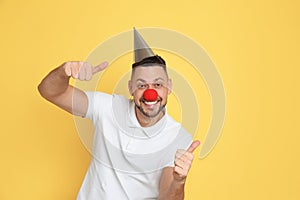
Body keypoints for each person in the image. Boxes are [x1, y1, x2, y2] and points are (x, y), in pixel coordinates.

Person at [38, 28, 200, 200]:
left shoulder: (178, 137)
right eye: (142, 85)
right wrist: (64, 71)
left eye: (158, 84)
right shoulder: (107, 107)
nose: (150, 93)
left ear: (169, 87)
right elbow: (49, 91)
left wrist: (179, 181)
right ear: (131, 88)